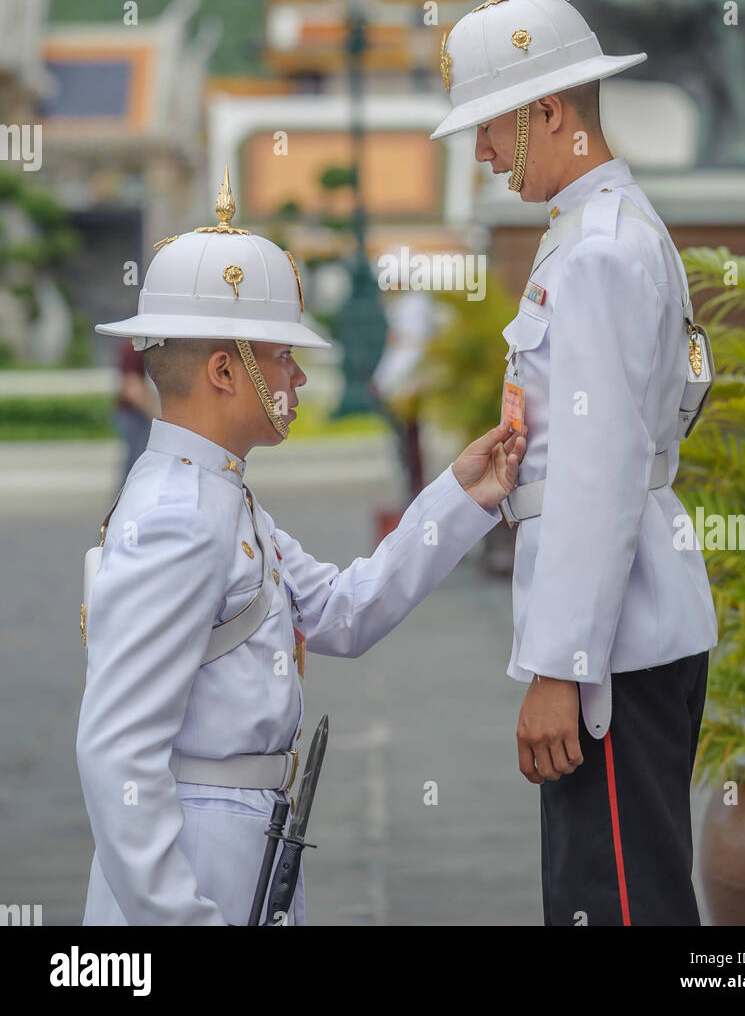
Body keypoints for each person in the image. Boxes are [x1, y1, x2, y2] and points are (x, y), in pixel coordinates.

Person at [76, 168, 524, 926]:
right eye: (281, 357)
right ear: (225, 370)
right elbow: (117, 751)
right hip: (190, 853)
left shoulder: (220, 496)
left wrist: (462, 496)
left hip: (244, 833)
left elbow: (345, 612)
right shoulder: (180, 516)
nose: (299, 375)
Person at [429, 0, 719, 926]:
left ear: (550, 110)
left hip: (613, 642)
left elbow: (594, 475)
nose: (477, 152)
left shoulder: (595, 251)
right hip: (634, 618)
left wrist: (558, 671)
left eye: (488, 126)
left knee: (616, 904)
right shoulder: (600, 227)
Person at [114, 338, 160, 481]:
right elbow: (132, 386)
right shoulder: (137, 344)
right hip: (137, 415)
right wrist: (158, 415)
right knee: (137, 466)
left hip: (138, 413)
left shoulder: (139, 342)